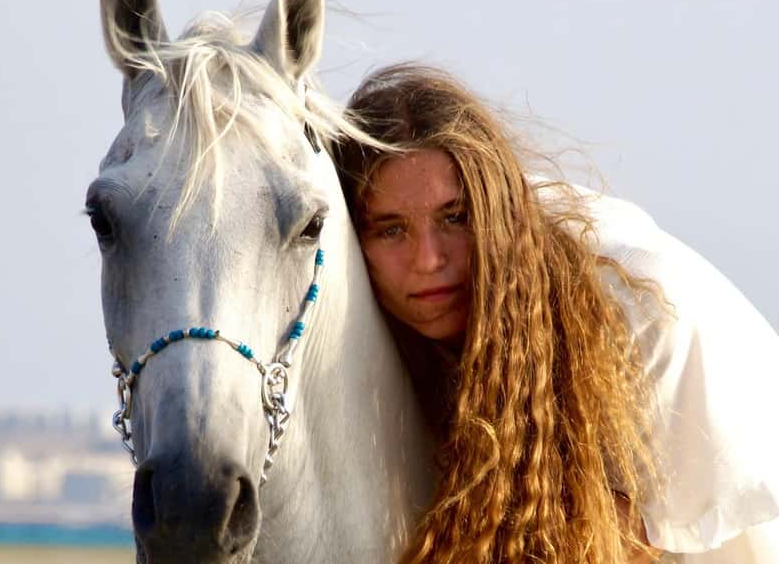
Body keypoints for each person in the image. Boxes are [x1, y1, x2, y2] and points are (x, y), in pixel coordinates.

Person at [333, 64, 779, 564]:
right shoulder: (350, 316)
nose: (429, 259)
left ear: (498, 212)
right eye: (391, 230)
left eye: (455, 219)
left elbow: (623, 548)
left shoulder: (633, 308)